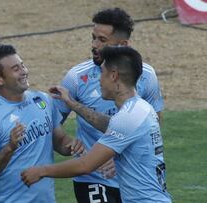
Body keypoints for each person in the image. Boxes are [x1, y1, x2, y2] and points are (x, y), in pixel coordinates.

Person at [21, 46, 172, 203]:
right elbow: (110, 124)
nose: (99, 80)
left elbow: (85, 165)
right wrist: (71, 103)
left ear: (113, 76)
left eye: (103, 74)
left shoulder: (128, 117)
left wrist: (41, 171)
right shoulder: (140, 109)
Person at [52, 7, 165, 203]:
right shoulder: (77, 78)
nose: (94, 45)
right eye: (93, 37)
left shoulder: (146, 76)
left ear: (122, 45)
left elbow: (154, 123)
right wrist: (66, 144)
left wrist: (119, 155)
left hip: (132, 178)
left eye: (102, 40)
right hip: (93, 178)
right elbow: (52, 123)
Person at [0, 43, 85, 203]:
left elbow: (59, 141)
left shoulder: (42, 100)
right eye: (15, 69)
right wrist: (9, 147)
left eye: (22, 65)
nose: (24, 71)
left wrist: (73, 145)